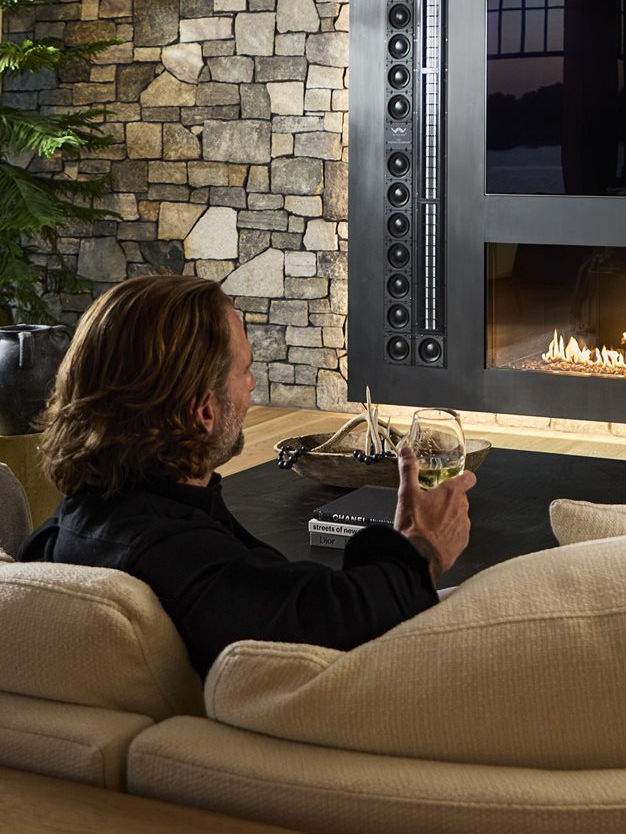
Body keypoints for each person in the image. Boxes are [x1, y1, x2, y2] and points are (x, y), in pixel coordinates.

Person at [18, 273, 474, 677]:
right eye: (246, 370)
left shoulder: (70, 527)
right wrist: (423, 550)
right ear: (204, 411)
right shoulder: (174, 555)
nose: (253, 385)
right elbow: (334, 621)